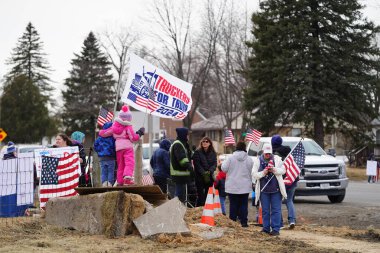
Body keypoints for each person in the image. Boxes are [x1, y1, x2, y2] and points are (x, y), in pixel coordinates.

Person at [100, 105, 144, 186]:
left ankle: (120, 181)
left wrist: (101, 132)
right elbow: (133, 138)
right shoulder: (128, 126)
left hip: (118, 148)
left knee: (120, 165)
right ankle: (127, 178)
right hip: (127, 147)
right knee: (129, 163)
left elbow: (105, 133)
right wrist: (140, 133)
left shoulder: (114, 126)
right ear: (129, 118)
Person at [252, 143, 287, 236]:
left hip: (276, 190)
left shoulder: (277, 159)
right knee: (265, 210)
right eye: (266, 153)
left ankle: (276, 229)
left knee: (276, 210)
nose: (268, 155)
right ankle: (266, 228)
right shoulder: (258, 161)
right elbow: (254, 174)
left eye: (269, 153)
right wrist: (264, 172)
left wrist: (274, 169)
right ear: (263, 152)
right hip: (263, 190)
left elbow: (283, 170)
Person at [222, 141, 253, 227]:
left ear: (236, 148)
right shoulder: (249, 159)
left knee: (233, 205)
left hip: (232, 186)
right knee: (243, 205)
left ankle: (233, 222)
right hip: (245, 186)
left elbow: (224, 169)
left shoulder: (230, 158)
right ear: (244, 148)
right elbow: (252, 170)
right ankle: (244, 222)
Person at [271, 134, 296, 229]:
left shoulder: (273, 153)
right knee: (289, 200)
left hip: (280, 180)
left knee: (277, 202)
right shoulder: (289, 151)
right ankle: (292, 220)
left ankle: (280, 222)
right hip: (292, 179)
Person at [170, 127, 194, 204]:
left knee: (181, 195)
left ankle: (179, 210)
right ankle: (175, 210)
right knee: (179, 195)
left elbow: (188, 156)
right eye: (187, 135)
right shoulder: (178, 144)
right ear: (183, 135)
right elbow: (182, 159)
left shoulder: (182, 143)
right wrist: (190, 167)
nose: (188, 136)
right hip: (179, 174)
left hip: (182, 175)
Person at [192, 136, 217, 207]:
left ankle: (207, 210)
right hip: (199, 177)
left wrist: (209, 171)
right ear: (201, 143)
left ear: (210, 143)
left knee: (208, 196)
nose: (205, 143)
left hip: (209, 177)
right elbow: (197, 165)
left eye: (207, 141)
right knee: (201, 196)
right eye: (203, 141)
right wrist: (204, 173)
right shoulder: (197, 152)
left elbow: (214, 164)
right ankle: (198, 209)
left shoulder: (213, 153)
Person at [94, 122, 116, 187]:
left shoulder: (99, 137)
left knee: (103, 171)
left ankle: (104, 183)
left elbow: (95, 145)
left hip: (102, 157)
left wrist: (99, 151)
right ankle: (109, 184)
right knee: (111, 171)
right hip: (111, 157)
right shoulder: (112, 137)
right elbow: (115, 146)